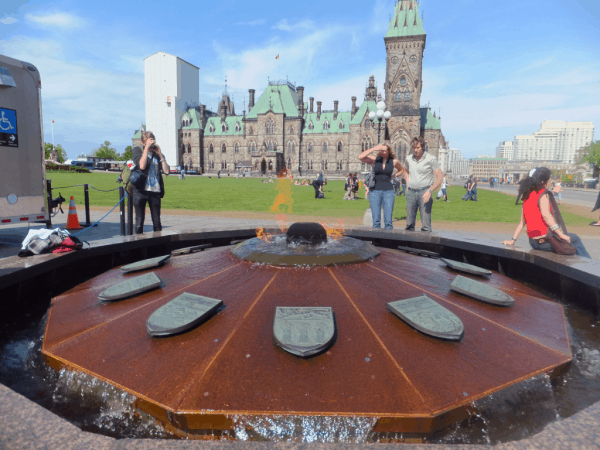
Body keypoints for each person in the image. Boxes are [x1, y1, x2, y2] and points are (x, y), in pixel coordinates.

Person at [501, 167, 590, 258]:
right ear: (543, 182)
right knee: (575, 238)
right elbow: (546, 215)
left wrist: (513, 240)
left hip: (533, 242)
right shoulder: (543, 194)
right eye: (549, 179)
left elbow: (522, 222)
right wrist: (561, 234)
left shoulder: (527, 194)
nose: (550, 182)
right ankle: (588, 266)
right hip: (545, 242)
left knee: (570, 242)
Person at [359, 141, 405, 229]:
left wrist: (394, 176)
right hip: (374, 191)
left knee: (388, 221)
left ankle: (388, 241)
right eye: (380, 150)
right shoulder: (375, 159)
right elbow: (360, 157)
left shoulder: (394, 161)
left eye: (384, 150)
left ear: (389, 151)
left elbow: (401, 170)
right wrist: (374, 148)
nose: (382, 152)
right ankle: (376, 242)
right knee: (376, 221)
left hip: (388, 192)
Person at [131, 131, 169, 234]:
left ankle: (158, 245)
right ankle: (138, 246)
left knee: (157, 222)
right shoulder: (137, 150)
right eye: (149, 140)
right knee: (139, 221)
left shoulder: (156, 154)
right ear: (143, 141)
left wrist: (160, 154)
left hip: (155, 191)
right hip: (140, 191)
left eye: (153, 139)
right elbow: (142, 166)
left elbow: (166, 171)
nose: (152, 142)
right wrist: (146, 149)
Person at [403, 137, 443, 232]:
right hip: (411, 192)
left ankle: (425, 245)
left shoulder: (431, 159)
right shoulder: (408, 159)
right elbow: (406, 171)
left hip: (424, 191)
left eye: (418, 147)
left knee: (426, 225)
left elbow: (440, 177)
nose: (415, 150)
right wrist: (408, 184)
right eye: (414, 148)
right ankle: (408, 244)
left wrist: (430, 191)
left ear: (423, 147)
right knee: (409, 224)